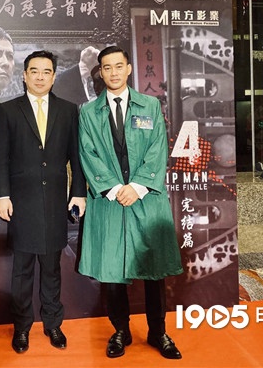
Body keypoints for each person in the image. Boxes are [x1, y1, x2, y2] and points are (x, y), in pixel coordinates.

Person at [77, 45, 183, 360]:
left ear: (129, 68)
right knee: (112, 272)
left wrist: (137, 186)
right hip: (109, 201)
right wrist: (112, 188)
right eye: (107, 67)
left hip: (145, 198)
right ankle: (120, 331)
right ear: (100, 72)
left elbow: (158, 148)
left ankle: (158, 332)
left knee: (154, 270)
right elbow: (87, 152)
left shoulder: (149, 105)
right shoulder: (88, 112)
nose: (113, 72)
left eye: (118, 66)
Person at [0, 50, 87, 354]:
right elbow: (0, 158)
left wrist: (78, 192)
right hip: (21, 203)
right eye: (34, 71)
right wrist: (2, 195)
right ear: (24, 75)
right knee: (22, 270)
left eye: (47, 72)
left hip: (56, 202)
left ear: (54, 76)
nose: (40, 77)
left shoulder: (68, 110)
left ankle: (53, 323)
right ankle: (22, 327)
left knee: (52, 267)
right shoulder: (8, 110)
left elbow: (77, 157)